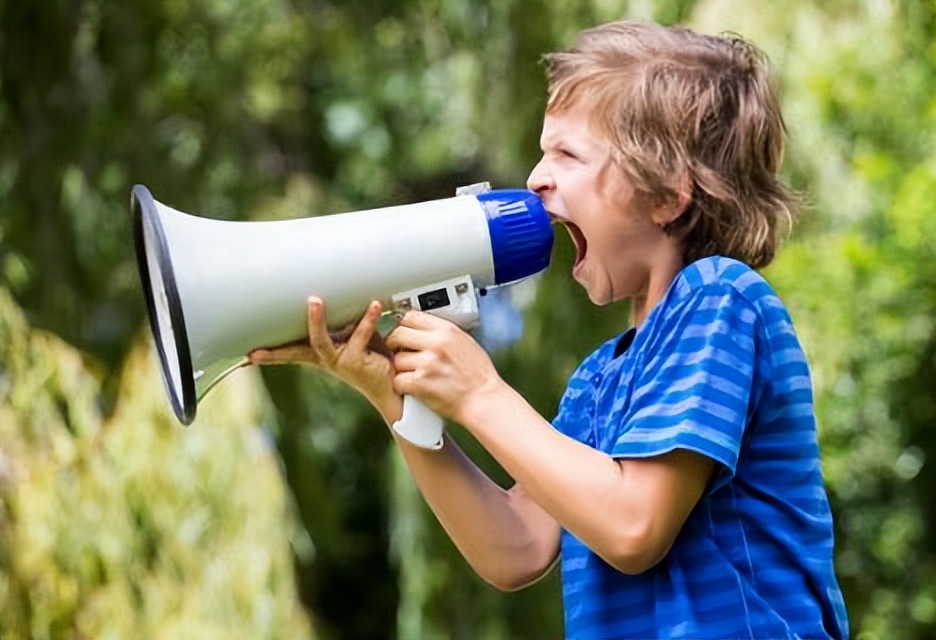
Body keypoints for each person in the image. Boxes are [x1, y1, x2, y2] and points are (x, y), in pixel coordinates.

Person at [249, 20, 850, 640]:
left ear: (669, 195)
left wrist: (482, 395)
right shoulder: (599, 379)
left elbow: (632, 528)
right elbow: (517, 548)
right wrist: (394, 398)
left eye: (568, 154)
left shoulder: (720, 297)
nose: (535, 177)